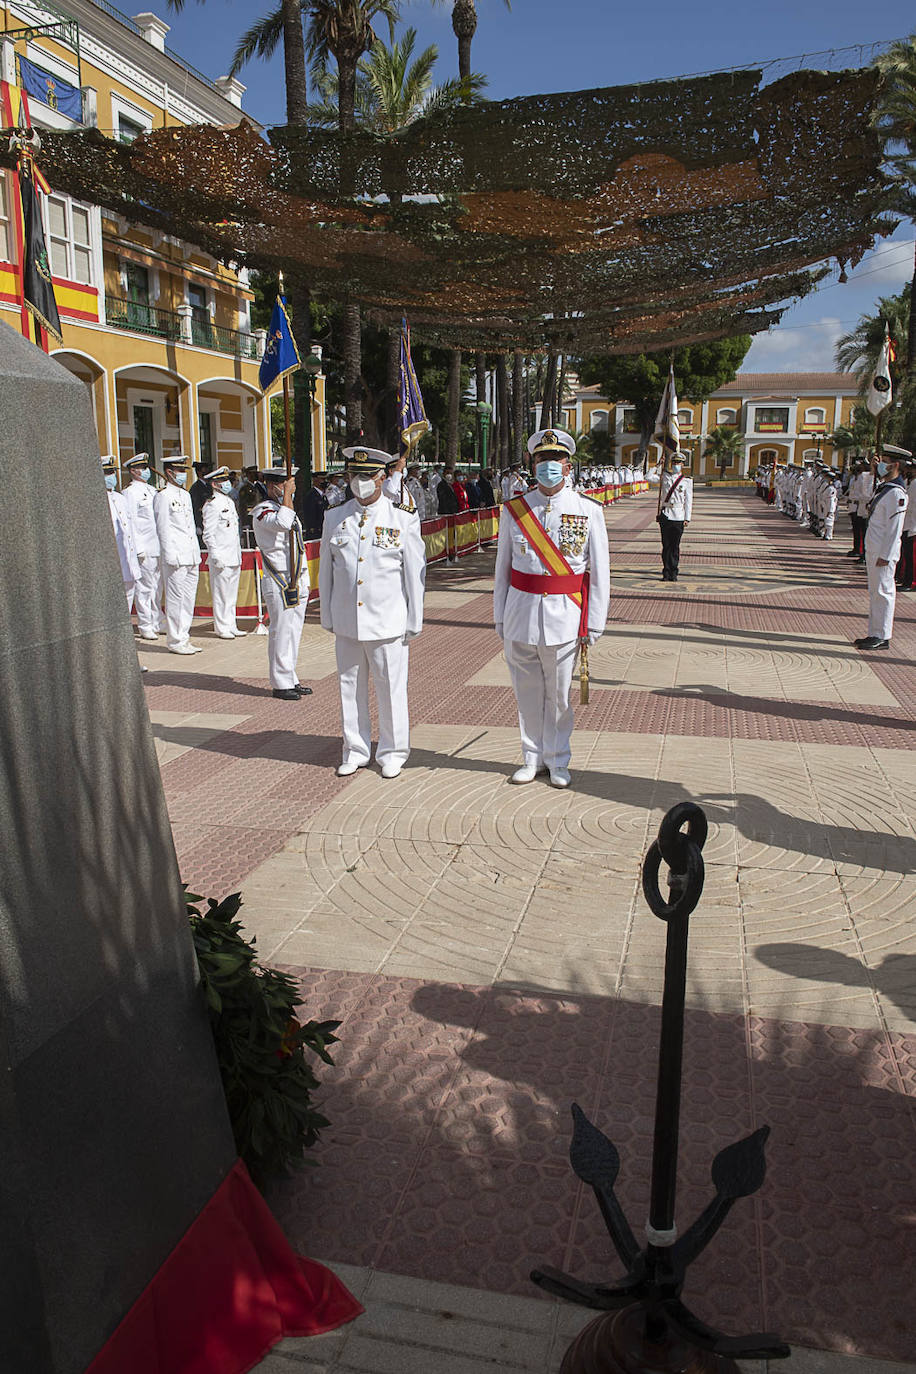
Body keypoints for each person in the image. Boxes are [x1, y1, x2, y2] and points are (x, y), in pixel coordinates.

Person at [493, 427, 610, 789]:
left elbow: (599, 572)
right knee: (526, 694)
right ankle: (531, 757)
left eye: (555, 459)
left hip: (564, 617)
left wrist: (594, 622)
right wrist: (499, 616)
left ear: (568, 465)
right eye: (541, 459)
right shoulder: (516, 510)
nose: (548, 466)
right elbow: (502, 569)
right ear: (532, 463)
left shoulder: (588, 510)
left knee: (558, 696)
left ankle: (558, 759)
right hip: (520, 614)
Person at [319, 446, 426, 778]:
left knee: (391, 688)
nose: (360, 482)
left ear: (383, 477)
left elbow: (414, 573)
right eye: (354, 476)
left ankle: (393, 750)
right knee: (349, 687)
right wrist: (327, 615)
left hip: (388, 621)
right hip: (348, 621)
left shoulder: (402, 518)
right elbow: (326, 571)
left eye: (367, 476)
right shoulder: (334, 517)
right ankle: (355, 748)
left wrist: (413, 620)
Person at [251, 466, 312, 700]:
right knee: (281, 631)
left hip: (296, 577)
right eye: (285, 485)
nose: (291, 490)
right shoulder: (263, 511)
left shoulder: (284, 508)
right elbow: (283, 524)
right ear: (271, 485)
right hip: (279, 579)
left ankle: (290, 676)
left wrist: (286, 497)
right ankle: (280, 682)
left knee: (294, 631)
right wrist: (286, 494)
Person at [856, 445, 909, 651]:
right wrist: (872, 470)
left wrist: (886, 555)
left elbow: (895, 529)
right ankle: (874, 632)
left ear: (895, 465)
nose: (880, 464)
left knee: (884, 592)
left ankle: (883, 635)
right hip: (875, 549)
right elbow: (869, 493)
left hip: (883, 553)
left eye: (884, 461)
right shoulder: (885, 489)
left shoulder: (897, 494)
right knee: (875, 592)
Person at [153, 456, 202, 654]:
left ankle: (184, 636)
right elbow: (163, 528)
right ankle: (175, 640)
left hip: (190, 554)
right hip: (175, 556)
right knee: (175, 599)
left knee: (188, 599)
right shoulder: (163, 496)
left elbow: (189, 527)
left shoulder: (185, 495)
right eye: (178, 470)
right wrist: (169, 555)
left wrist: (196, 552)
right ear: (169, 472)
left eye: (184, 470)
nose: (182, 474)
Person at [121, 451, 162, 640]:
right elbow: (131, 522)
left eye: (147, 467)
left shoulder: (152, 490)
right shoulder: (130, 493)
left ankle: (156, 620)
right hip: (144, 547)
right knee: (145, 588)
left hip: (157, 546)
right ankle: (145, 624)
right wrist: (138, 549)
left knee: (156, 587)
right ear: (134, 471)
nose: (147, 471)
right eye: (143, 468)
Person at [201, 465, 245, 638]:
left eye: (227, 480)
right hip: (221, 557)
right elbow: (208, 533)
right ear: (214, 484)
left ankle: (231, 623)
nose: (227, 483)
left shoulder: (229, 502)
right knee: (221, 594)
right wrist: (214, 555)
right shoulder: (212, 505)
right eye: (222, 480)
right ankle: (221, 627)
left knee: (231, 594)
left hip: (233, 554)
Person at [102, 456, 141, 611]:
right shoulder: (98, 500)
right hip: (113, 558)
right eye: (108, 473)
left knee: (129, 592)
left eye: (113, 472)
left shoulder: (120, 498)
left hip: (128, 556)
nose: (112, 476)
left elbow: (130, 527)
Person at [657, 452, 693, 581]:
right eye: (674, 463)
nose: (676, 465)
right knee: (666, 546)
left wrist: (687, 518)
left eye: (679, 463)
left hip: (678, 517)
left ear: (683, 464)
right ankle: (666, 572)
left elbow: (688, 501)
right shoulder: (665, 477)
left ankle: (674, 572)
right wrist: (658, 465)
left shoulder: (687, 481)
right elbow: (648, 477)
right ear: (671, 464)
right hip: (666, 515)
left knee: (675, 547)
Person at [189, 461, 214, 545]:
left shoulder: (209, 486)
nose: (207, 472)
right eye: (205, 470)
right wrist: (197, 525)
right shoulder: (196, 488)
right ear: (199, 472)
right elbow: (195, 508)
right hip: (202, 524)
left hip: (210, 521)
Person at [301, 472, 330, 540]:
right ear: (315, 480)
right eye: (322, 479)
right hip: (316, 533)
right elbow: (310, 516)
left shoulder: (323, 496)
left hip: (323, 530)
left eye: (326, 479)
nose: (325, 481)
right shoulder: (311, 496)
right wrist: (314, 531)